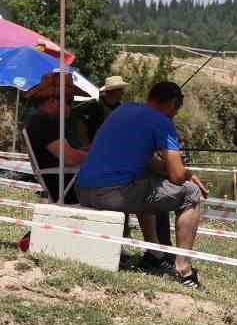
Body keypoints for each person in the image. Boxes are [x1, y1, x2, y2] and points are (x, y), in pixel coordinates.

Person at [76, 81, 206, 288]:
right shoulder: (163, 122)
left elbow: (147, 162)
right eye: (176, 109)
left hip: (82, 190)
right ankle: (184, 270)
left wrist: (169, 170)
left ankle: (154, 254)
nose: (174, 115)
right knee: (191, 192)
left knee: (146, 184)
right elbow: (177, 175)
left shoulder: (122, 110)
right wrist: (189, 174)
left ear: (150, 96)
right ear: (173, 103)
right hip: (112, 195)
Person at [25, 73, 87, 203]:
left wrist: (84, 151)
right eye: (69, 102)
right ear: (52, 100)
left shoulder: (39, 119)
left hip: (64, 184)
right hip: (68, 189)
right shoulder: (46, 122)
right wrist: (95, 155)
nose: (71, 108)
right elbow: (70, 158)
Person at [76, 75, 127, 143]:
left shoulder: (120, 108)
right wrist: (86, 144)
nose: (122, 92)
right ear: (112, 91)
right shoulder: (95, 106)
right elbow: (82, 124)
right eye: (120, 90)